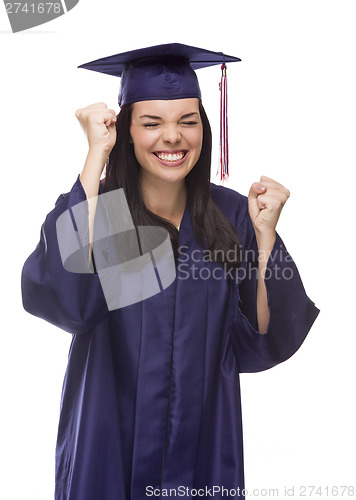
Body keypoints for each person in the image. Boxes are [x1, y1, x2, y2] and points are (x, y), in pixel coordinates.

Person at [21, 43, 320, 500]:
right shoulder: (107, 208)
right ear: (125, 130)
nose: (173, 137)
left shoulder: (231, 215)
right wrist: (95, 157)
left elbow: (260, 341)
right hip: (108, 445)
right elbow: (69, 305)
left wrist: (263, 237)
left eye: (187, 120)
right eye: (151, 123)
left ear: (205, 125)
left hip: (204, 446)